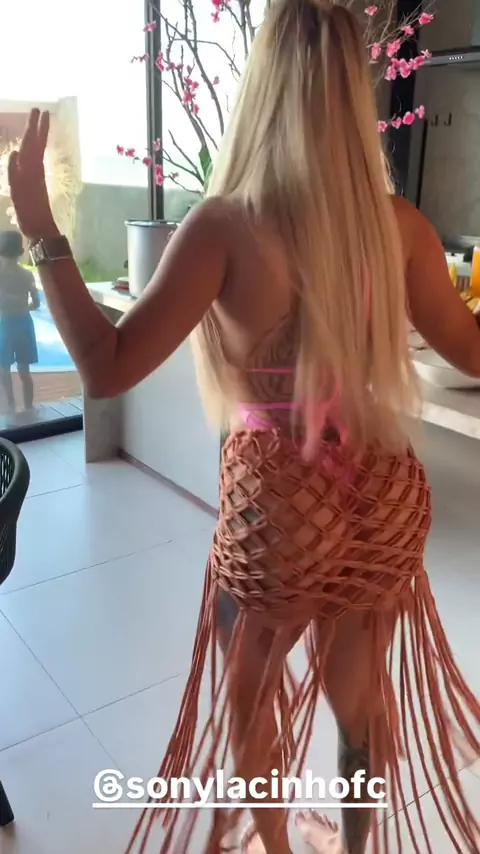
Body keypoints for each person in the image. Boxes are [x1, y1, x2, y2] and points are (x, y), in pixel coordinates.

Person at [7, 1, 480, 852]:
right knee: (360, 699)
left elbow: (107, 367)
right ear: (353, 95)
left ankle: (276, 845)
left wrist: (41, 229)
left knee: (248, 697)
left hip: (280, 505)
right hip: (381, 494)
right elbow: (475, 352)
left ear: (262, 88)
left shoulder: (225, 226)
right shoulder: (398, 227)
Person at [0, 229, 39, 413]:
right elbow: (36, 303)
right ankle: (29, 407)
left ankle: (11, 405)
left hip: (5, 324)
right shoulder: (27, 275)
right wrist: (23, 306)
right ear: (21, 252)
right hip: (24, 324)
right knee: (24, 371)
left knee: (4, 369)